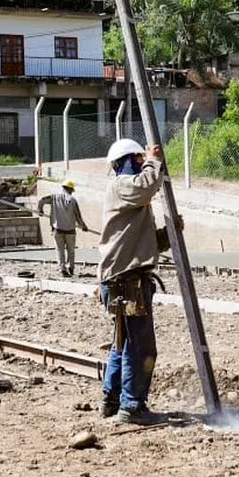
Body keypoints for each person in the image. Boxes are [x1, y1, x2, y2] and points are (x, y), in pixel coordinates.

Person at [97, 139, 179, 425]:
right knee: (140, 347)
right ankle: (132, 407)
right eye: (139, 160)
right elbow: (146, 185)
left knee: (123, 344)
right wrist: (154, 160)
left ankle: (112, 399)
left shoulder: (131, 202)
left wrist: (168, 235)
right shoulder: (121, 186)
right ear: (128, 161)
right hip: (126, 282)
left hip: (123, 280)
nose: (142, 164)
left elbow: (143, 244)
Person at [37, 179, 91, 277]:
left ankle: (63, 269)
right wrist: (84, 226)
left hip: (57, 230)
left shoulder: (54, 197)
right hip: (70, 230)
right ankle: (71, 267)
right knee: (71, 250)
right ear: (70, 189)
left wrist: (40, 210)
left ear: (63, 188)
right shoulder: (73, 200)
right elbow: (78, 217)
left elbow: (42, 200)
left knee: (60, 250)